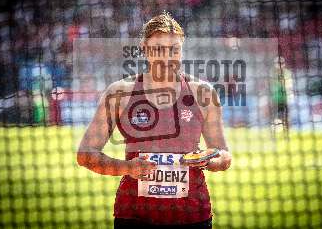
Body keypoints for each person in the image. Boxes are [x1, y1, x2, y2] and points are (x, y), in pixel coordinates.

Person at [77, 12, 232, 228]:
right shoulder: (119, 93)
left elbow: (223, 155)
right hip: (135, 215)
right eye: (158, 49)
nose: (167, 57)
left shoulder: (203, 93)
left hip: (192, 216)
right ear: (144, 48)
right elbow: (85, 155)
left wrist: (210, 161)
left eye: (174, 50)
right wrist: (127, 168)